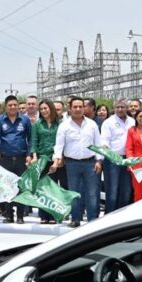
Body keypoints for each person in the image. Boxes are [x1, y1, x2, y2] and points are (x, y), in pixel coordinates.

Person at [54, 97, 102, 227]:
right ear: (70, 108)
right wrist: (56, 160)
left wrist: (99, 161)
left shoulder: (92, 124)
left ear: (84, 108)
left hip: (90, 162)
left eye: (80, 106)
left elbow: (98, 144)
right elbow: (58, 146)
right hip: (72, 163)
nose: (78, 109)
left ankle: (92, 220)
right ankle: (75, 219)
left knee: (92, 193)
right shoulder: (64, 126)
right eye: (75, 107)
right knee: (74, 193)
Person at [0, 95, 32, 224]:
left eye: (15, 105)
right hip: (5, 158)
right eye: (10, 105)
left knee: (20, 187)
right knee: (7, 187)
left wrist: (30, 154)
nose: (13, 107)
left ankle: (20, 215)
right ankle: (9, 215)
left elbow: (30, 138)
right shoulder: (0, 119)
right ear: (6, 106)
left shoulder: (25, 120)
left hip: (21, 158)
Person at [100, 98, 134, 212]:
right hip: (112, 159)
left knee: (126, 191)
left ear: (127, 108)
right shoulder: (108, 122)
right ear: (114, 108)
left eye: (122, 107)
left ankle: (121, 217)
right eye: (117, 107)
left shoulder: (132, 121)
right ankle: (109, 216)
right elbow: (104, 141)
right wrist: (106, 149)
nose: (120, 109)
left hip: (128, 159)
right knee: (112, 191)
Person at [32, 100, 63, 223]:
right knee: (42, 188)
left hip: (55, 159)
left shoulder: (59, 124)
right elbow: (34, 142)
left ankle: (54, 215)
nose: (44, 111)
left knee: (54, 188)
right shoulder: (37, 124)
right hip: (42, 159)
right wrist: (34, 157)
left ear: (51, 108)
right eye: (42, 109)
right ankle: (44, 216)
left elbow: (61, 142)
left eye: (46, 108)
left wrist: (59, 159)